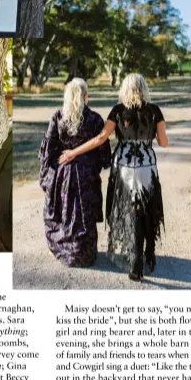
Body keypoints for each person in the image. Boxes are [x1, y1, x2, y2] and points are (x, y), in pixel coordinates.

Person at [61, 74, 168, 282]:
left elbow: (101, 139)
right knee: (146, 209)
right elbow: (164, 143)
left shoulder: (118, 111)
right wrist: (150, 134)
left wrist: (73, 152)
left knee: (129, 210)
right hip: (146, 168)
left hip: (124, 168)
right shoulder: (155, 111)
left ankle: (133, 259)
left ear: (125, 89)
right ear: (144, 88)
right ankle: (144, 254)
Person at [39, 79, 111, 267]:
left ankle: (66, 252)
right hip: (86, 176)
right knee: (84, 215)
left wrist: (48, 177)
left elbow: (48, 151)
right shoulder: (95, 119)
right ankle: (84, 254)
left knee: (64, 213)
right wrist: (92, 164)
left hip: (63, 176)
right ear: (85, 96)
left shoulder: (58, 117)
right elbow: (104, 155)